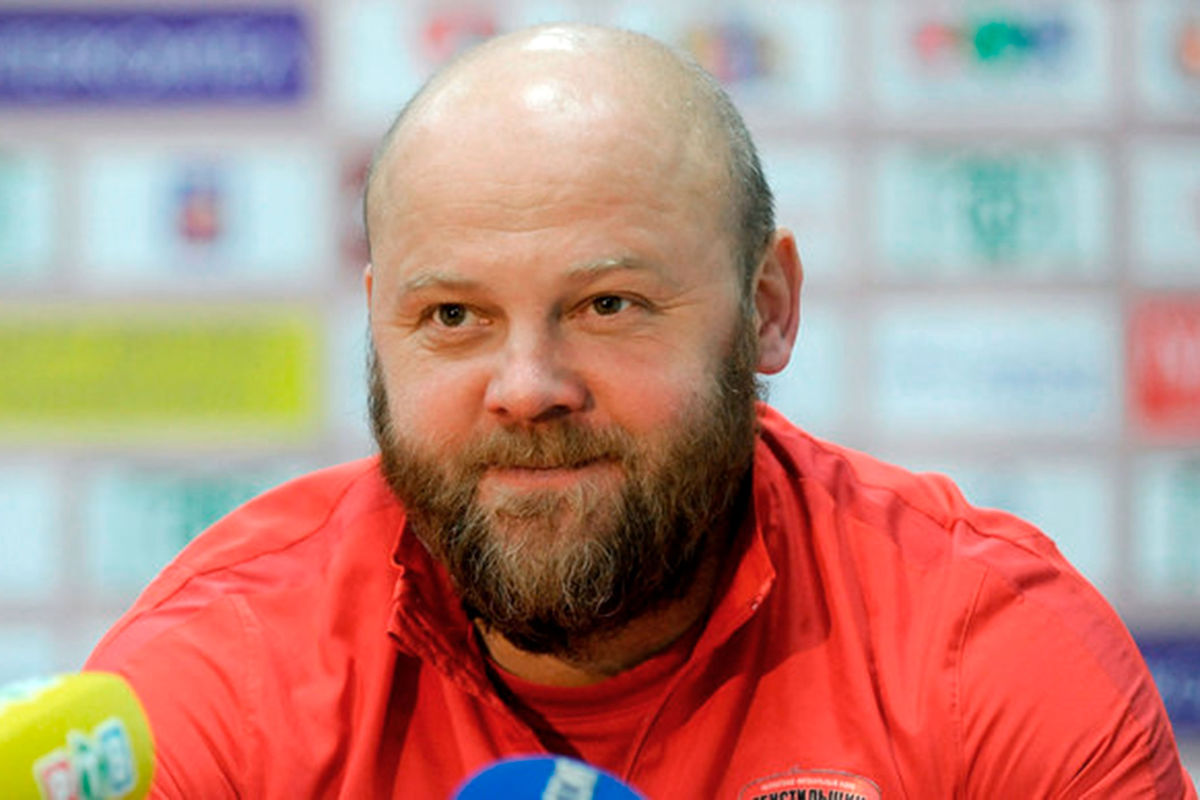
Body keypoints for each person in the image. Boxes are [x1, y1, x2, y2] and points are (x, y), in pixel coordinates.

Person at [87, 23, 1196, 798]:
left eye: (608, 305)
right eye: (454, 316)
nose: (528, 385)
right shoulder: (216, 675)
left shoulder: (982, 655)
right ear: (380, 325)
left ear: (768, 309)